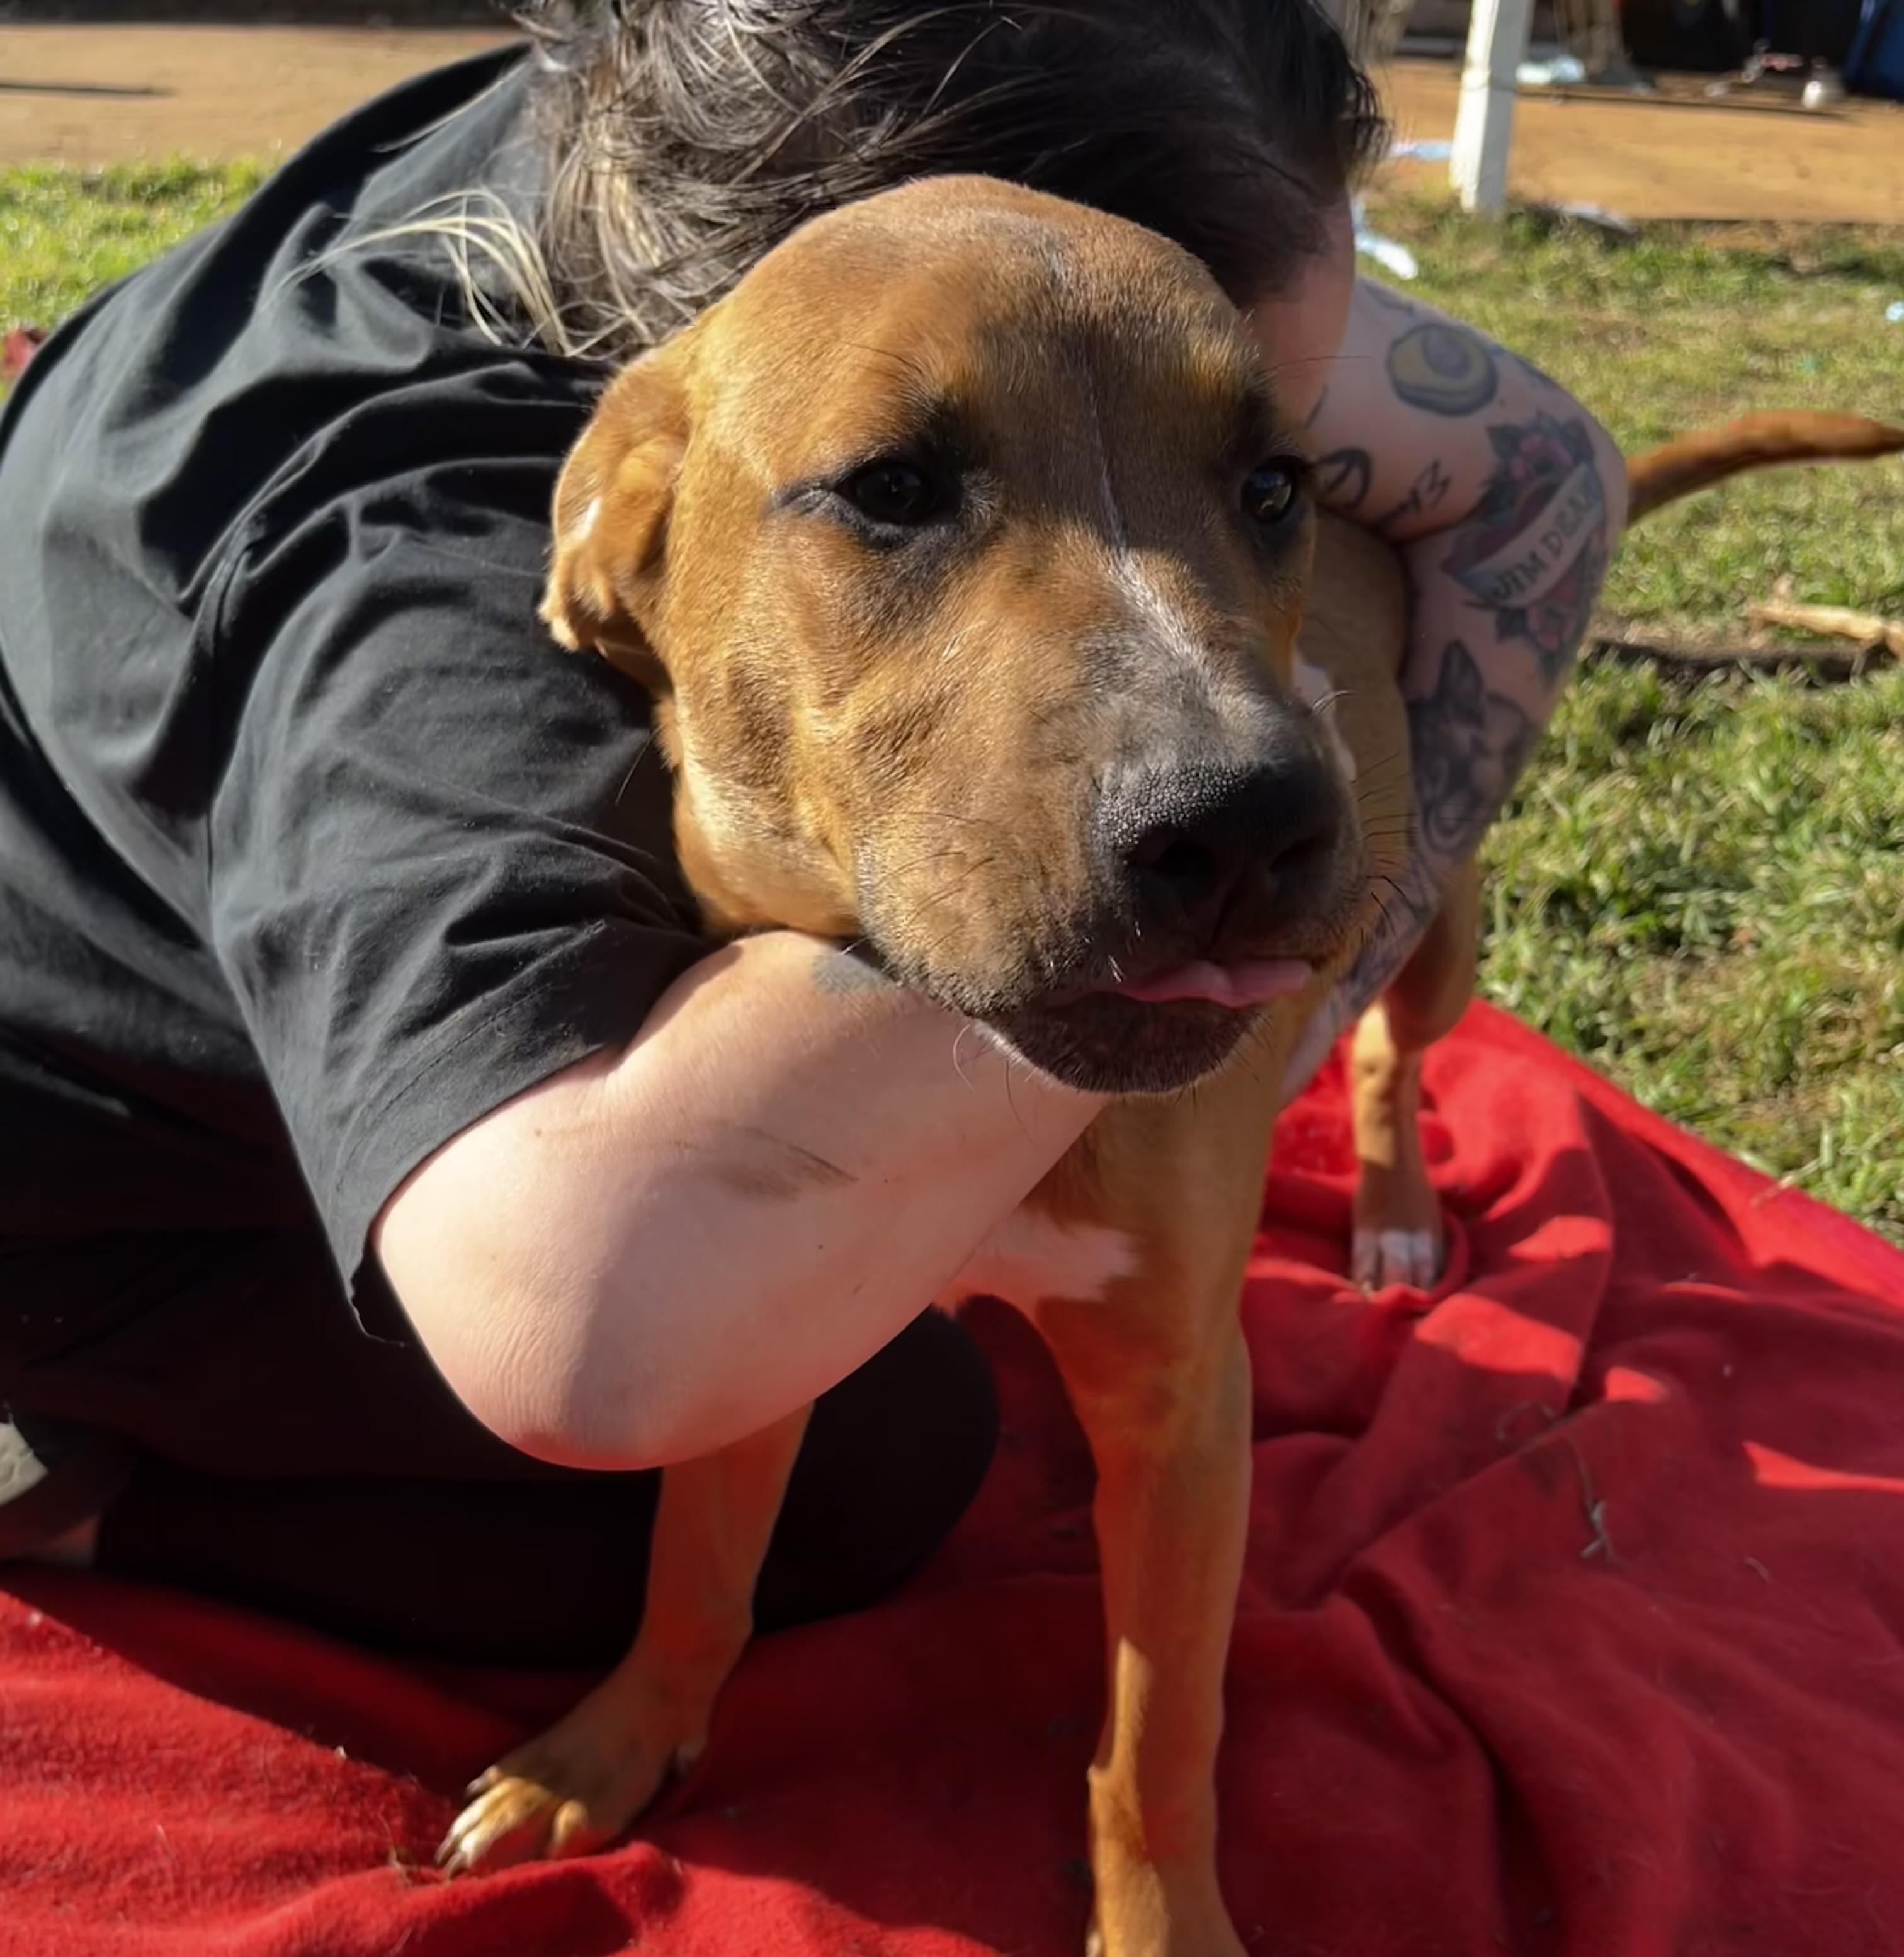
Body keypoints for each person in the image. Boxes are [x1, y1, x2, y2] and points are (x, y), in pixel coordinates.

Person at [0, 1, 1623, 1665]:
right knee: (869, 1447)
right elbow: (587, 1333)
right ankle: (72, 1492)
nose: (1193, 646)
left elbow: (1543, 463)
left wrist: (1308, 986)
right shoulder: (425, 576)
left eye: (1260, 474)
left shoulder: (727, 123)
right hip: (120, 1195)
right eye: (907, 492)